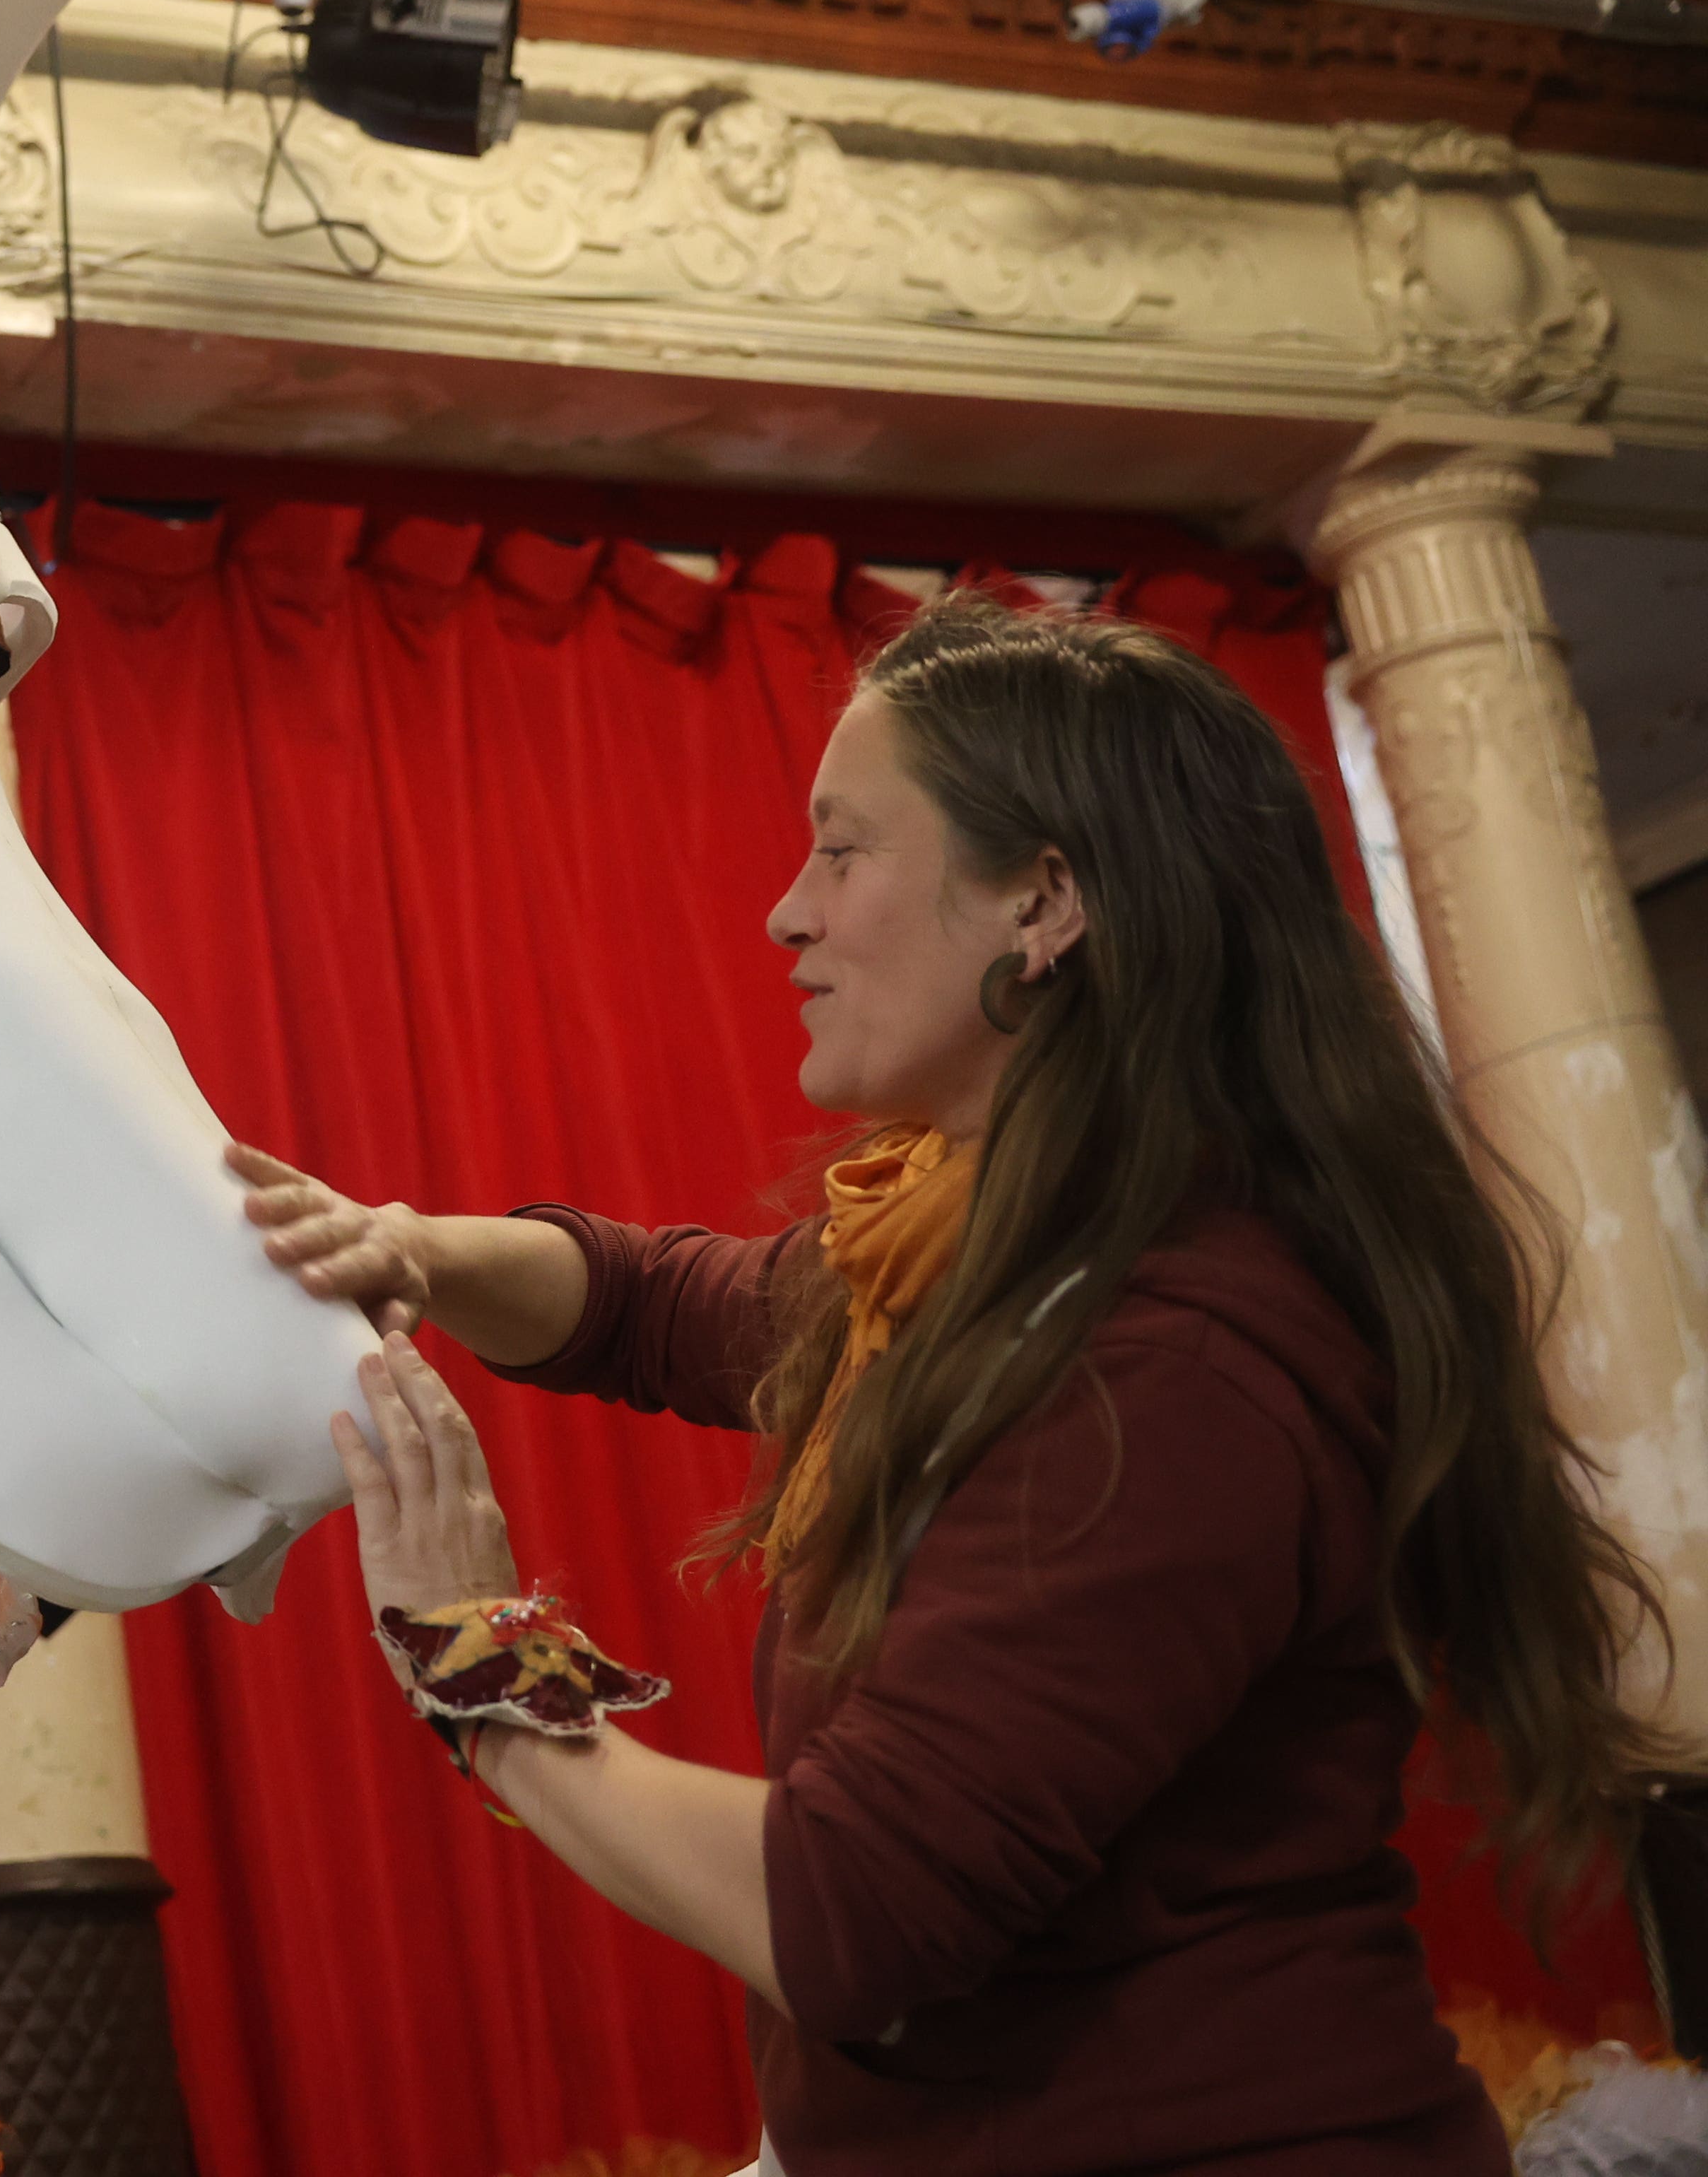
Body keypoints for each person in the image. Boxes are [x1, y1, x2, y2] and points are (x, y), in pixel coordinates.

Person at [228, 592, 1675, 2169]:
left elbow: (845, 1916)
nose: (789, 913)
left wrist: (481, 1664)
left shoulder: (1172, 1359)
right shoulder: (997, 1246)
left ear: (1042, 905)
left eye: (843, 852)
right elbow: (662, 1306)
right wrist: (414, 1252)